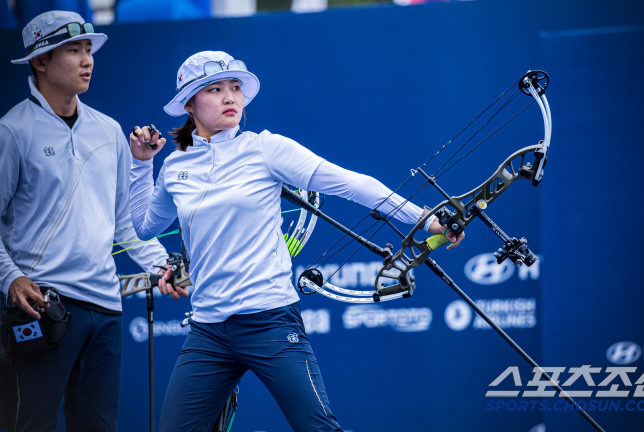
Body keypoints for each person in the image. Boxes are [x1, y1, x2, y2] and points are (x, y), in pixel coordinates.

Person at [129, 50, 464, 432]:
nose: (230, 97)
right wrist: (141, 164)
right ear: (189, 104)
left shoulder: (265, 148)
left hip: (270, 322)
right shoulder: (175, 165)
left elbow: (352, 184)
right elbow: (143, 227)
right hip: (209, 330)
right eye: (215, 89)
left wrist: (425, 219)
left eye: (235, 87)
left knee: (318, 429)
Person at [0, 11, 186, 432]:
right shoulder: (11, 132)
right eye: (74, 50)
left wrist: (160, 265)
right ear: (40, 61)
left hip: (105, 309)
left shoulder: (109, 130)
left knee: (99, 426)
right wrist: (10, 277)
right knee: (31, 425)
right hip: (39, 308)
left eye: (89, 50)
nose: (88, 60)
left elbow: (124, 223)